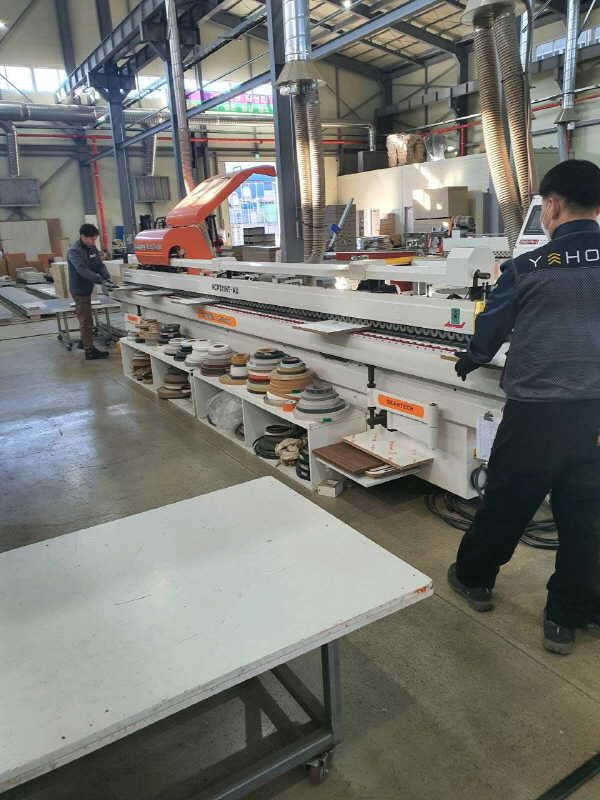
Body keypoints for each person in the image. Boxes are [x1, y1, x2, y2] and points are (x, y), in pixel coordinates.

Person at [448, 159, 600, 655]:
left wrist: (469, 359)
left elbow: (490, 330)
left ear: (551, 207)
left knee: (507, 504)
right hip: (595, 420)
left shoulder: (529, 266)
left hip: (535, 416)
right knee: (587, 522)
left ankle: (474, 580)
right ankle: (566, 619)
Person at [67, 223, 116, 360]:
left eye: (95, 239)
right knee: (86, 320)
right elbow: (82, 270)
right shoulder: (74, 251)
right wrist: (101, 281)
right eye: (91, 239)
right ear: (83, 236)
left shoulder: (92, 248)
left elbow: (99, 265)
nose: (93, 242)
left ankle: (84, 342)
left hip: (88, 287)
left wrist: (107, 278)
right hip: (79, 290)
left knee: (86, 318)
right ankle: (89, 350)